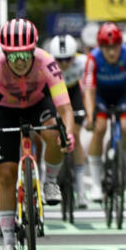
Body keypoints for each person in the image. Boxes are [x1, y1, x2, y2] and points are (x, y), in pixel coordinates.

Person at [0, 19, 75, 250]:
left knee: (55, 132)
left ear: (33, 51)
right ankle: (8, 239)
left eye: (24, 55)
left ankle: (50, 180)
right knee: (7, 173)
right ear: (4, 54)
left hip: (37, 104)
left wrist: (69, 134)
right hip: (5, 109)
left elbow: (65, 108)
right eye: (12, 57)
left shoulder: (46, 62)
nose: (19, 62)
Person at [82, 22, 126, 203]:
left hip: (124, 95)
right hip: (101, 96)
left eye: (115, 47)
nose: (112, 52)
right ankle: (96, 184)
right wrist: (90, 115)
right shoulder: (93, 58)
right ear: (100, 47)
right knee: (99, 129)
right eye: (107, 48)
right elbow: (89, 91)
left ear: (120, 45)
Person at [46, 35, 89, 207]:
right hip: (54, 95)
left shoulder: (83, 62)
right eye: (59, 60)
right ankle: (48, 178)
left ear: (75, 56)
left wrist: (89, 110)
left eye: (68, 59)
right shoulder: (46, 64)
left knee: (75, 135)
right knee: (51, 134)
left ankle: (80, 188)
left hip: (73, 93)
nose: (63, 64)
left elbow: (89, 86)